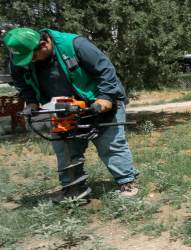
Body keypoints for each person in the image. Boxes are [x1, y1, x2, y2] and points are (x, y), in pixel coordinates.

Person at [3, 27, 139, 198]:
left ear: (43, 44)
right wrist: (31, 102)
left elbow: (105, 69)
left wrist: (105, 97)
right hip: (61, 109)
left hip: (98, 101)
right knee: (65, 148)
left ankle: (127, 182)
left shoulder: (75, 45)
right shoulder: (20, 58)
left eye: (33, 57)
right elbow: (21, 81)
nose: (31, 62)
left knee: (110, 144)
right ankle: (73, 191)